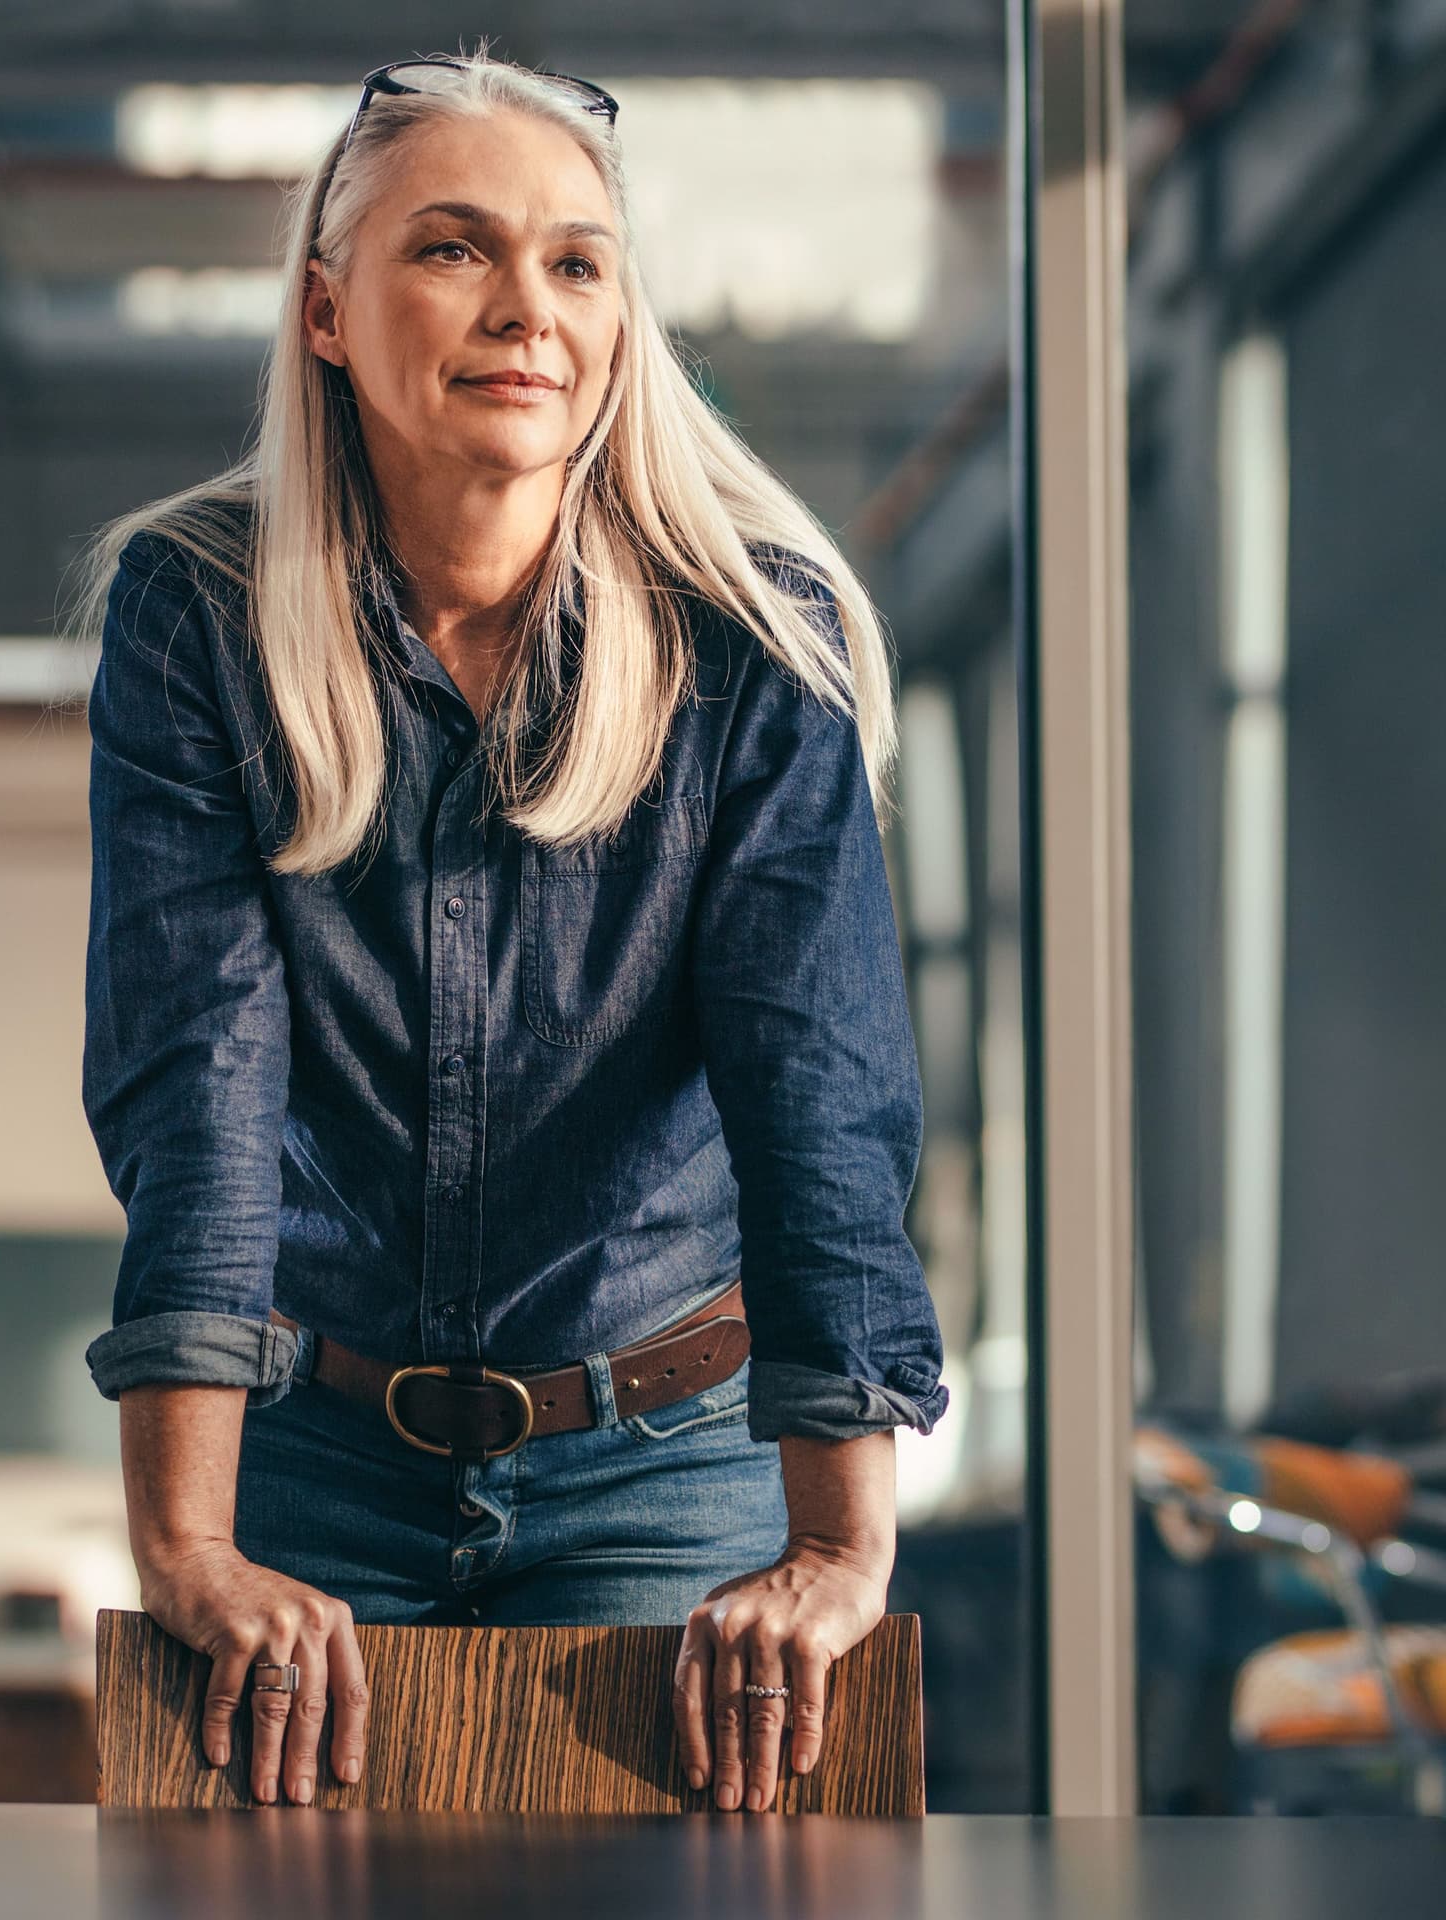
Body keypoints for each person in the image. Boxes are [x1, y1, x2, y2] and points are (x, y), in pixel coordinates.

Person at [68, 46, 949, 1818]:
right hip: (311, 1471)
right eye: (451, 250)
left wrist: (838, 1549)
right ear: (327, 309)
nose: (522, 309)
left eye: (575, 262)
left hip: (662, 1475)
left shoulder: (751, 648)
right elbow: (201, 1089)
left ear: (621, 323)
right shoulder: (200, 615)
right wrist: (186, 1541)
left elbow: (819, 1097)